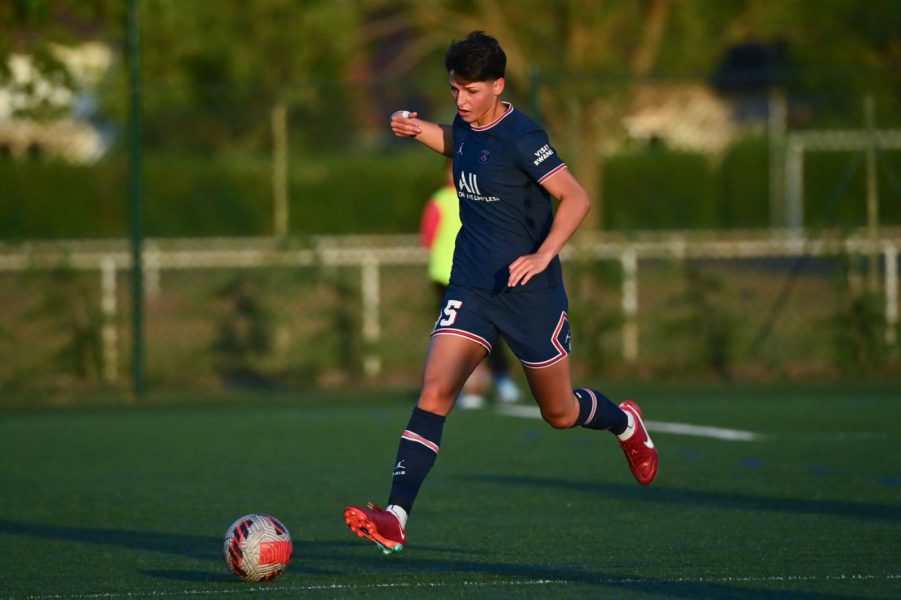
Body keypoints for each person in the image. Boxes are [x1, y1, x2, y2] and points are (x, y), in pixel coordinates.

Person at [344, 31, 658, 555]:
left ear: (498, 86)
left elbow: (575, 198)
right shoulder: (466, 126)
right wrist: (419, 129)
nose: (461, 101)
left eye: (470, 91)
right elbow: (459, 143)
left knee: (558, 413)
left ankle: (625, 421)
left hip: (529, 293)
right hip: (472, 284)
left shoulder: (522, 136)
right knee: (435, 391)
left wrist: (542, 254)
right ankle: (397, 514)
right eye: (453, 90)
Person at [419, 162, 522, 408]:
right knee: (453, 336)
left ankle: (502, 379)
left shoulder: (483, 198)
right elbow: (428, 237)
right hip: (446, 277)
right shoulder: (440, 200)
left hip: (481, 277)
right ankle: (465, 387)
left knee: (490, 329)